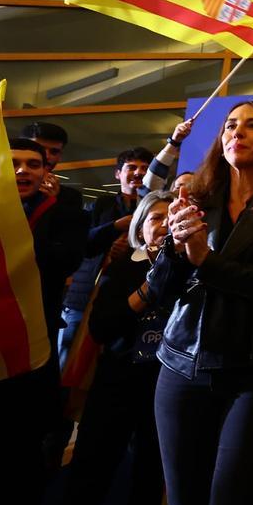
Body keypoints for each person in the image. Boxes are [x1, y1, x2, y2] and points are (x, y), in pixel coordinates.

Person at [147, 100, 253, 505]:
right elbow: (160, 290)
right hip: (181, 363)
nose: (237, 132)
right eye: (230, 125)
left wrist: (205, 260)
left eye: (252, 125)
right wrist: (176, 250)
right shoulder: (197, 197)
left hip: (252, 371)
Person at [0, 139, 87, 505]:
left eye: (33, 164)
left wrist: (13, 226)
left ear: (46, 172)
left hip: (27, 365)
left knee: (18, 473)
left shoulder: (66, 217)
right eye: (14, 163)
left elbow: (61, 262)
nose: (23, 170)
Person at [55, 191, 174, 505]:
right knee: (90, 474)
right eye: (156, 218)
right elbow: (101, 328)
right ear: (140, 227)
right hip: (116, 383)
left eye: (172, 218)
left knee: (149, 480)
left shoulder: (192, 273)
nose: (165, 225)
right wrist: (146, 292)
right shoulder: (121, 268)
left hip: (163, 389)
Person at [62, 147, 153, 369]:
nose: (139, 172)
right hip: (83, 296)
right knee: (70, 360)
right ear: (118, 174)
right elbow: (83, 243)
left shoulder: (153, 211)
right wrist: (114, 227)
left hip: (127, 299)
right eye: (132, 167)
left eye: (145, 168)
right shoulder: (99, 205)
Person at [143, 119, 194, 194]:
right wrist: (174, 141)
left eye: (190, 188)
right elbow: (154, 178)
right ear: (172, 190)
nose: (183, 193)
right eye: (178, 187)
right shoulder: (156, 198)